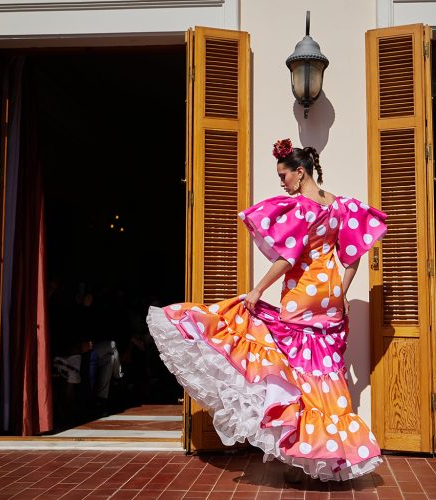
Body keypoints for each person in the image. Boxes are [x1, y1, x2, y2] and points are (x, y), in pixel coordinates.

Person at [146, 138, 387, 482]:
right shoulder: (341, 206)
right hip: (329, 303)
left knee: (295, 373)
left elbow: (286, 258)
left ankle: (305, 456)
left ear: (300, 173)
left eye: (283, 176)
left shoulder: (303, 208)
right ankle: (325, 456)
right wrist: (342, 293)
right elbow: (353, 256)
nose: (281, 183)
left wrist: (258, 290)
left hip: (301, 297)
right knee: (325, 378)